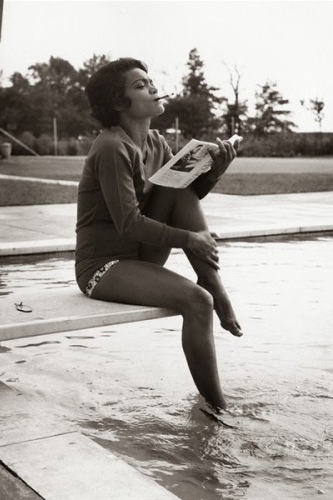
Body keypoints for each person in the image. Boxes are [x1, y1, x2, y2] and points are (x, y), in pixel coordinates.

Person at [75, 58, 241, 410]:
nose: (152, 87)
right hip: (104, 266)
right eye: (140, 85)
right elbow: (129, 223)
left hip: (142, 254)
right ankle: (218, 409)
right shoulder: (111, 147)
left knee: (179, 181)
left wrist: (216, 171)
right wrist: (189, 240)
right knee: (198, 302)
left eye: (151, 81)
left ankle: (213, 283)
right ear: (119, 104)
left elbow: (184, 199)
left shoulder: (155, 142)